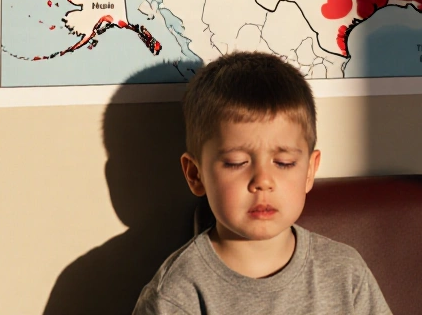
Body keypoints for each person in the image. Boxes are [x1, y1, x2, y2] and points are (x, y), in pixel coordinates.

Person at [133, 51, 392, 314]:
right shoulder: (175, 294)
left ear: (309, 171)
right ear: (195, 175)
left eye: (284, 162)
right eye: (236, 162)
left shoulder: (345, 272)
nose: (263, 181)